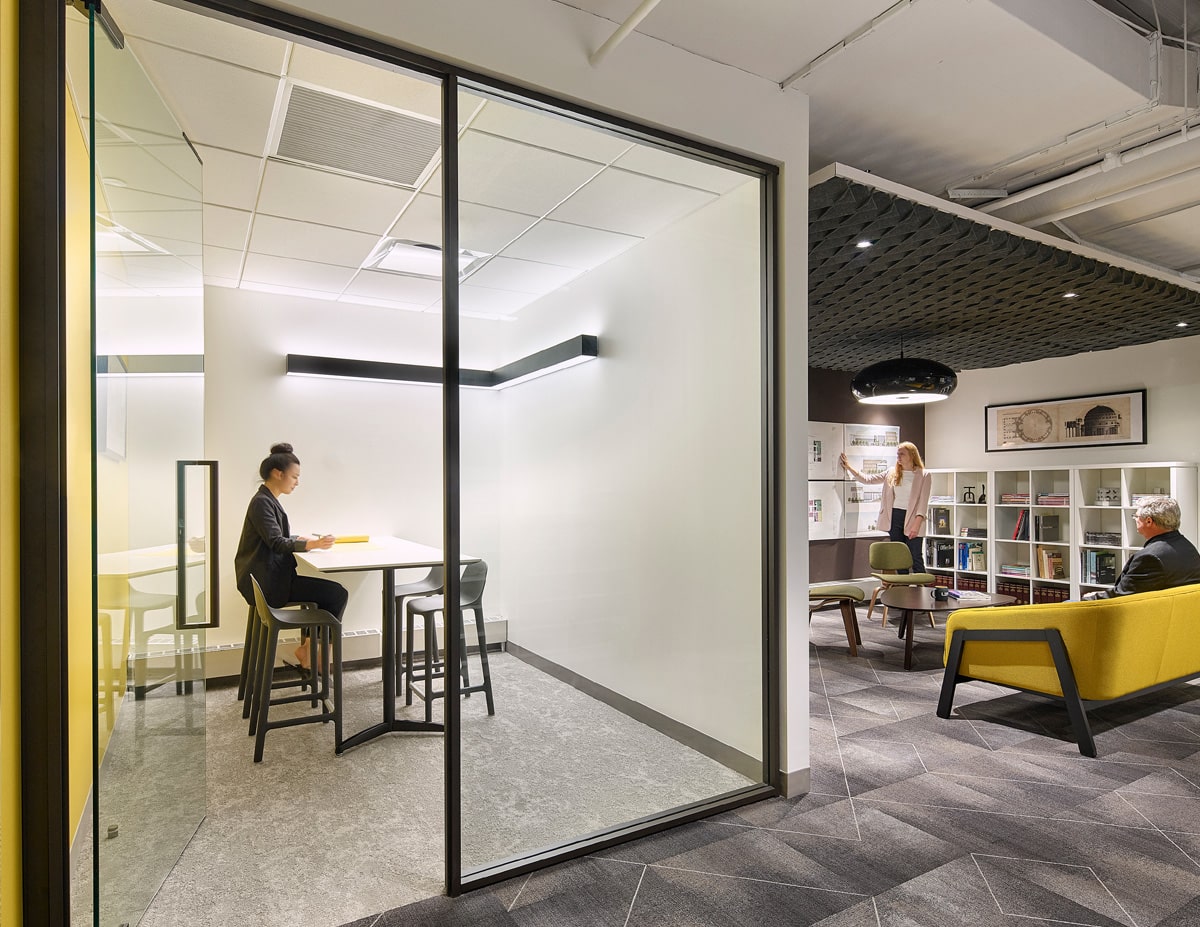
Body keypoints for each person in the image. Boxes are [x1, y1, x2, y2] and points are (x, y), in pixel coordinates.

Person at [234, 443, 348, 670]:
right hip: (269, 583)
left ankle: (308, 649)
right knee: (336, 594)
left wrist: (300, 538)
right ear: (278, 474)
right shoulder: (262, 503)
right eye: (294, 476)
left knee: (327, 596)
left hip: (266, 578)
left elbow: (274, 536)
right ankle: (315, 654)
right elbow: (276, 542)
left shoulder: (266, 500)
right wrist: (311, 544)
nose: (297, 482)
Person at [1081, 496, 1200, 599]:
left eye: (1136, 516)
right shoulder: (1188, 547)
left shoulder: (1149, 557)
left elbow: (1123, 596)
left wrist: (1092, 597)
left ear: (1149, 521)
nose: (1135, 520)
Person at [840, 441, 931, 570]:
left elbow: (923, 502)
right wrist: (849, 468)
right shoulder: (892, 472)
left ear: (912, 455)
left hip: (914, 518)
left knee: (915, 555)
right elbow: (868, 479)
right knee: (898, 556)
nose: (898, 457)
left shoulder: (924, 475)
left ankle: (921, 588)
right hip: (895, 516)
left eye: (902, 454)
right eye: (897, 454)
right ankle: (902, 588)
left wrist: (916, 525)